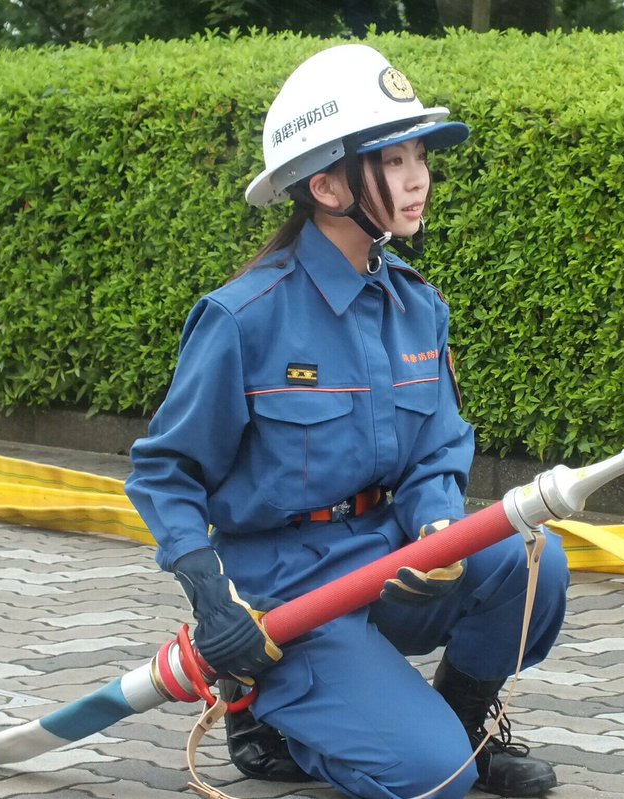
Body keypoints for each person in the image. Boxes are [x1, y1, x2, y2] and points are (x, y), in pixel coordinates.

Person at [125, 43, 570, 799]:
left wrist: (436, 528)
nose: (419, 175)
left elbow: (436, 451)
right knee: (431, 782)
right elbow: (165, 471)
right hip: (287, 590)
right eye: (393, 159)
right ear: (327, 185)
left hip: (385, 555)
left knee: (533, 559)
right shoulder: (243, 320)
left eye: (420, 153)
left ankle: (464, 731)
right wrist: (211, 599)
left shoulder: (417, 304)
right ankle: (267, 718)